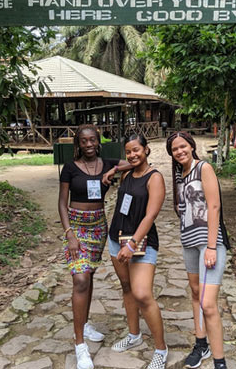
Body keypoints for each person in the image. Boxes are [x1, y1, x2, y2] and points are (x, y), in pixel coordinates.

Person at [58, 124, 132, 369]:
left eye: (92, 140)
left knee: (88, 275)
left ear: (98, 141)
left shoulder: (107, 163)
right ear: (78, 144)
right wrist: (69, 233)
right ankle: (80, 346)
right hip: (77, 227)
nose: (88, 145)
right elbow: (62, 202)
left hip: (98, 226)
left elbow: (135, 161)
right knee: (80, 280)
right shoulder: (69, 168)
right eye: (83, 141)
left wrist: (112, 172)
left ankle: (85, 323)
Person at [165, 131, 231, 369]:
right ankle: (200, 342)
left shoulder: (203, 168)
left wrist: (212, 246)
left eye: (183, 146)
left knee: (208, 303)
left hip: (209, 242)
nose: (180, 151)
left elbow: (214, 206)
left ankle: (219, 361)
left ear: (191, 146)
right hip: (189, 241)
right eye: (175, 149)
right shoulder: (180, 175)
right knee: (195, 293)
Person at [102, 134, 168, 369]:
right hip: (116, 238)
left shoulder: (155, 178)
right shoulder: (127, 173)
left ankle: (161, 349)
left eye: (137, 150)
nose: (132, 154)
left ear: (147, 150)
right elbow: (121, 165)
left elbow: (150, 215)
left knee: (142, 294)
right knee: (127, 288)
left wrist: (132, 245)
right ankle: (134, 335)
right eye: (128, 151)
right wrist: (114, 170)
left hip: (140, 243)